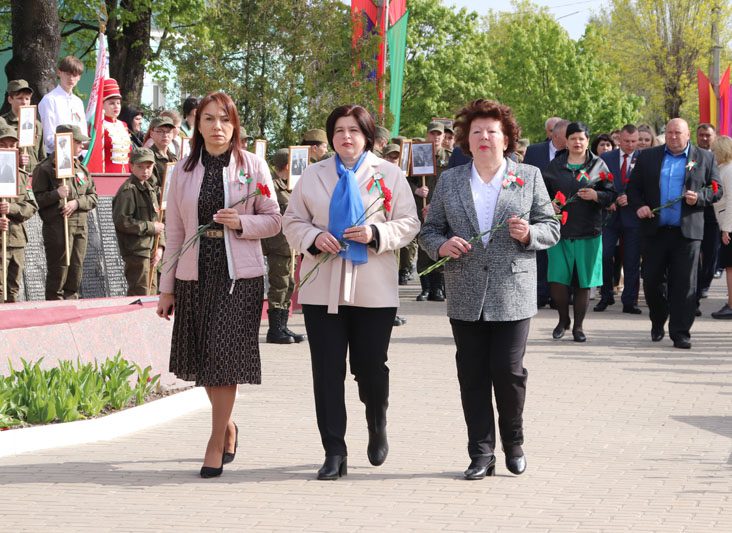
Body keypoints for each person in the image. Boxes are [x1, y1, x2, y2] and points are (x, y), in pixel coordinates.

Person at [419, 99, 560, 479]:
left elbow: (551, 225)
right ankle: (481, 452)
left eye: (492, 131)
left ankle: (513, 442)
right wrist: (441, 246)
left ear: (506, 137)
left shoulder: (527, 176)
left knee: (508, 371)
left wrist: (530, 233)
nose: (484, 137)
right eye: (476, 131)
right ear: (466, 139)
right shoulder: (450, 180)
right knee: (472, 373)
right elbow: (429, 230)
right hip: (464, 290)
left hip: (511, 289)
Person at [282, 104, 419, 480]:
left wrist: (377, 234)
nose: (346, 137)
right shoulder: (313, 174)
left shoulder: (389, 174)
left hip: (373, 287)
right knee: (326, 372)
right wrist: (313, 236)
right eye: (339, 130)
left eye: (354, 130)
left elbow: (409, 223)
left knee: (370, 368)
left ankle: (377, 421)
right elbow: (291, 221)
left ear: (367, 136)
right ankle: (334, 450)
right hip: (322, 287)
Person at [156, 91, 281, 478]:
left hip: (238, 278)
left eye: (224, 119)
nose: (217, 127)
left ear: (235, 124)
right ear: (197, 124)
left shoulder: (252, 165)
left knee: (223, 361)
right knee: (205, 360)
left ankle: (213, 443)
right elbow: (175, 232)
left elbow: (274, 220)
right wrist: (167, 285)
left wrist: (241, 223)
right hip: (196, 273)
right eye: (208, 119)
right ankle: (227, 426)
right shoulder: (183, 170)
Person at [627, 118, 721, 349]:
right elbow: (633, 188)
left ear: (688, 135)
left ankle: (680, 332)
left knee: (684, 285)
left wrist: (699, 197)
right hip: (655, 230)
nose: (673, 137)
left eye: (678, 133)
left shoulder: (705, 157)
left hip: (686, 233)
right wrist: (639, 205)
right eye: (669, 132)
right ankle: (658, 320)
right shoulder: (649, 157)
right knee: (651, 282)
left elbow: (716, 189)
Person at [543, 122, 617, 342]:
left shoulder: (599, 165)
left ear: (587, 141)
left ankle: (579, 327)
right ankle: (562, 319)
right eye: (573, 138)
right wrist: (549, 205)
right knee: (558, 279)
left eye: (581, 138)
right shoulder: (554, 166)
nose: (577, 142)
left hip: (589, 231)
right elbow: (541, 194)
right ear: (565, 141)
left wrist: (597, 197)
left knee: (584, 281)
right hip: (559, 231)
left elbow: (611, 194)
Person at [32, 125, 97, 300]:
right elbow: (36, 199)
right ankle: (54, 307)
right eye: (77, 142)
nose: (81, 146)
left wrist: (77, 203)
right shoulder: (45, 168)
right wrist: (56, 194)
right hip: (58, 227)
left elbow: (93, 196)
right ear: (66, 142)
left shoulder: (81, 168)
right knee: (59, 268)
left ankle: (70, 301)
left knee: (76, 267)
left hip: (79, 226)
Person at [261, 148, 307, 344]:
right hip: (277, 243)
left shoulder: (291, 186)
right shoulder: (273, 186)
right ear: (287, 166)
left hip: (289, 243)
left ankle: (283, 325)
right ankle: (275, 329)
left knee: (288, 284)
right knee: (279, 283)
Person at [524, 118, 569, 308]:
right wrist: (544, 203)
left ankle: (561, 296)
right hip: (538, 209)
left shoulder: (574, 153)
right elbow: (525, 177)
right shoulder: (534, 151)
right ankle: (540, 294)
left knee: (562, 256)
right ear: (555, 135)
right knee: (541, 254)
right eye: (568, 135)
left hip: (565, 210)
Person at [596, 124, 642, 314]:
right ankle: (606, 295)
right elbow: (599, 183)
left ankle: (630, 301)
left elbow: (647, 185)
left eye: (634, 141)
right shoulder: (607, 158)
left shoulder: (644, 158)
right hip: (610, 215)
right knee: (605, 255)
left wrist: (630, 198)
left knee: (631, 260)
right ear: (619, 141)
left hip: (633, 216)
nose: (630, 145)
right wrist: (608, 200)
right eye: (626, 141)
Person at [112, 148, 165, 296]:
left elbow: (159, 220)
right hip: (137, 251)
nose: (145, 171)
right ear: (131, 166)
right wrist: (150, 227)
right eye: (140, 166)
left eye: (148, 167)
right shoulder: (129, 190)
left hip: (151, 249)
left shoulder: (150, 189)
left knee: (152, 291)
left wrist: (160, 246)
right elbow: (122, 221)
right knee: (140, 293)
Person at [0, 124, 38, 302]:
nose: (8, 149)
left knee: (13, 290)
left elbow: (31, 206)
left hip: (17, 240)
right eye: (4, 145)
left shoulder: (22, 176)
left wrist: (12, 209)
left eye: (12, 145)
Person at [413, 121, 450, 302]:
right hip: (423, 208)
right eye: (432, 134)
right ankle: (425, 287)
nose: (435, 137)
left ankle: (438, 287)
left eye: (439, 134)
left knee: (442, 245)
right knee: (424, 247)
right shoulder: (420, 154)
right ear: (427, 135)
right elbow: (406, 180)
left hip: (443, 209)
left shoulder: (450, 157)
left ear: (443, 137)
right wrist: (417, 190)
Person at [38, 56, 87, 154]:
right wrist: (69, 147)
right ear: (59, 72)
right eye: (68, 74)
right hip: (55, 156)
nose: (71, 78)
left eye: (75, 75)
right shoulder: (49, 100)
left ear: (79, 77)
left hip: (77, 157)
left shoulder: (78, 102)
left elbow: (83, 133)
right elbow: (49, 138)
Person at [695, 123, 720, 307]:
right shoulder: (692, 156)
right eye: (701, 135)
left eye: (708, 135)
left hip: (714, 212)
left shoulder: (720, 156)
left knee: (711, 251)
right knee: (694, 251)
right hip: (694, 210)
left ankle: (705, 284)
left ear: (714, 136)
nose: (704, 138)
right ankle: (695, 284)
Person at [2, 79, 45, 172]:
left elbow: (42, 157)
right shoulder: (3, 123)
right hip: (13, 176)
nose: (24, 102)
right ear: (10, 99)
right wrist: (16, 159)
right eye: (20, 98)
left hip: (34, 178)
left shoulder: (37, 125)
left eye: (27, 98)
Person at [711, 136, 732, 319]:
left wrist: (727, 228)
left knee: (730, 267)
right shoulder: (724, 169)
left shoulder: (729, 170)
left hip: (729, 224)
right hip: (726, 222)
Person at [100, 79, 131, 173]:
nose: (116, 106)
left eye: (118, 103)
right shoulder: (99, 126)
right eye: (111, 103)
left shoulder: (123, 125)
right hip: (107, 173)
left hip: (126, 173)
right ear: (102, 105)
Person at [148, 116, 179, 189]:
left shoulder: (174, 157)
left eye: (168, 131)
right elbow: (150, 188)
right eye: (160, 131)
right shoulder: (148, 157)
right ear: (151, 133)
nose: (165, 135)